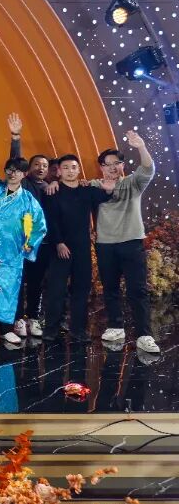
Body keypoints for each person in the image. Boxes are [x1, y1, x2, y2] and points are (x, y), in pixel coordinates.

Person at [93, 131, 159, 353]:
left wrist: (141, 146)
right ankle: (115, 326)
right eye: (108, 164)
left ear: (122, 165)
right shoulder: (95, 186)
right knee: (110, 288)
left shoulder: (133, 183)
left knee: (137, 290)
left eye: (117, 163)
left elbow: (148, 169)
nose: (112, 168)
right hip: (105, 244)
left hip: (132, 242)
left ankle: (144, 335)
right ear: (101, 167)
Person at [40, 154, 110, 342]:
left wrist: (93, 182)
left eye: (73, 167)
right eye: (65, 167)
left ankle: (78, 329)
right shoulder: (53, 191)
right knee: (56, 290)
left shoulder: (87, 191)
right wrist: (58, 242)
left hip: (82, 248)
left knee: (81, 289)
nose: (70, 171)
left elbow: (109, 193)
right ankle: (51, 329)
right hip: (59, 247)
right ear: (59, 171)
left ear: (78, 170)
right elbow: (50, 220)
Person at [0, 156, 47, 345]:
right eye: (9, 169)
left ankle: (5, 329)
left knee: (8, 290)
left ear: (24, 174)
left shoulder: (27, 199)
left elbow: (39, 225)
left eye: (17, 170)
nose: (12, 173)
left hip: (11, 253)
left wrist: (28, 244)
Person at [6, 112, 51, 338]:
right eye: (37, 164)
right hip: (19, 244)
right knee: (18, 281)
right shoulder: (24, 184)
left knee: (36, 283)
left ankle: (33, 317)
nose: (41, 168)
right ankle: (17, 320)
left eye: (45, 165)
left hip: (42, 244)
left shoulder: (52, 188)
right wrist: (16, 137)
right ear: (28, 169)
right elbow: (15, 162)